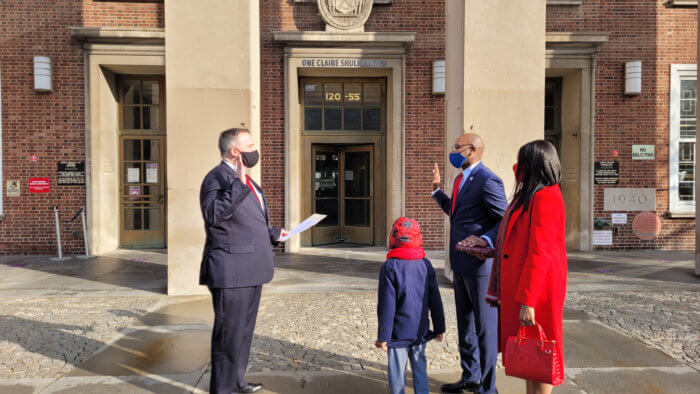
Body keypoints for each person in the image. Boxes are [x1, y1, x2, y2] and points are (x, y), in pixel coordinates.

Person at [464, 140, 567, 394]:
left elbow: (540, 252)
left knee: (542, 355)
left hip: (537, 292)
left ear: (534, 164)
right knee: (529, 356)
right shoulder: (530, 194)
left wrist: (528, 301)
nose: (516, 167)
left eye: (522, 161)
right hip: (524, 288)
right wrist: (492, 249)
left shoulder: (546, 197)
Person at [199, 128, 289, 394]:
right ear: (234, 151)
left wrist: (274, 234)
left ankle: (237, 381)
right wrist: (237, 184)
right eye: (249, 145)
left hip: (252, 269)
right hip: (232, 271)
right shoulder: (217, 178)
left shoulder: (249, 181)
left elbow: (249, 222)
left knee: (243, 335)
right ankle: (223, 390)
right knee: (228, 337)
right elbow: (213, 215)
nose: (254, 149)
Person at [431, 131, 508, 394]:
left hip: (479, 268)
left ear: (472, 150)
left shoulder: (488, 180)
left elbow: (504, 220)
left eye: (457, 147)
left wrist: (486, 238)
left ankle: (488, 388)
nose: (453, 151)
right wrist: (437, 192)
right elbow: (457, 212)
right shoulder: (461, 179)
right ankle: (471, 377)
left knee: (484, 329)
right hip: (460, 265)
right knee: (466, 325)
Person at [375, 217, 446, 394]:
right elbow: (435, 299)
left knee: (397, 374)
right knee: (420, 370)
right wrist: (439, 327)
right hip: (420, 330)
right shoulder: (426, 264)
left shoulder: (390, 267)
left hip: (398, 333)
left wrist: (383, 335)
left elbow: (387, 305)